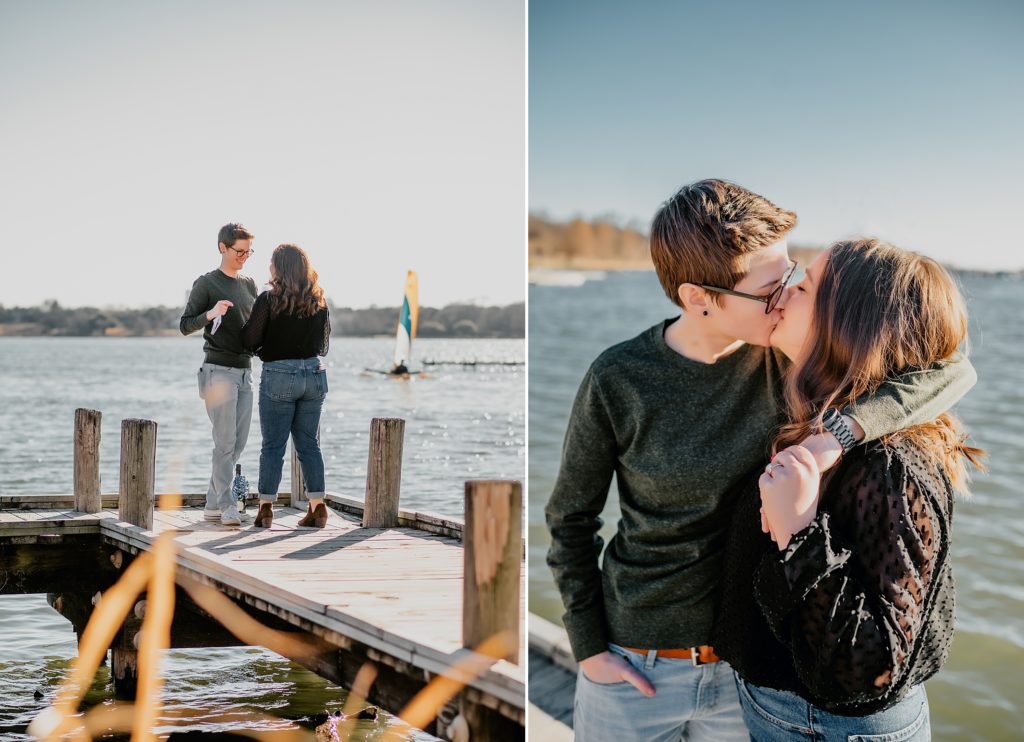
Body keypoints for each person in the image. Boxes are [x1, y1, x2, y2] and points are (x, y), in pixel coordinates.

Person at [544, 180, 977, 741]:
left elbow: (950, 373)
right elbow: (570, 519)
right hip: (637, 660)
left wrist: (837, 437)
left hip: (744, 670)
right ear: (699, 298)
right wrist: (587, 645)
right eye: (771, 289)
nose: (789, 295)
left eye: (792, 275)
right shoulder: (618, 378)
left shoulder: (790, 364)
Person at [714, 239, 984, 740]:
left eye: (807, 286)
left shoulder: (889, 467)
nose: (787, 288)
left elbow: (867, 671)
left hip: (830, 726)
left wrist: (798, 532)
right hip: (788, 710)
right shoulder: (819, 409)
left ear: (848, 326)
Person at [242, 243, 331, 529]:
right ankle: (318, 507)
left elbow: (250, 340)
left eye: (272, 263)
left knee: (273, 446)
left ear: (280, 268)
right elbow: (323, 344)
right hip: (315, 373)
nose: (269, 267)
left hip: (280, 373)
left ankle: (266, 508)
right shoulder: (319, 299)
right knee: (309, 444)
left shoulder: (269, 299)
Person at [180, 223, 258, 527]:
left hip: (245, 371)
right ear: (222, 248)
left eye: (248, 251)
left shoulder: (249, 284)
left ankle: (213, 504)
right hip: (217, 371)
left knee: (237, 443)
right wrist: (210, 314)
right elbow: (185, 325)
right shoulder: (206, 283)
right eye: (239, 251)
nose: (244, 257)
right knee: (224, 442)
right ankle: (227, 505)